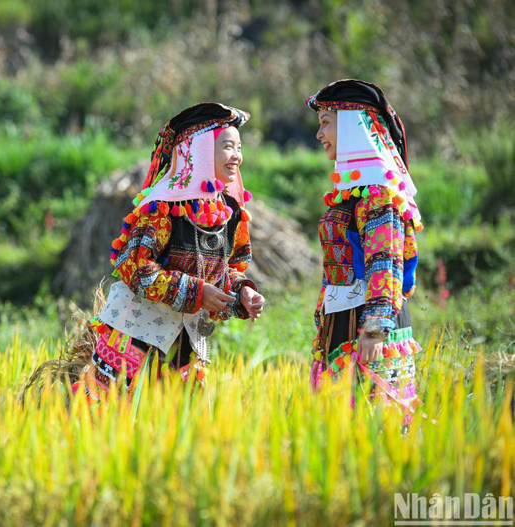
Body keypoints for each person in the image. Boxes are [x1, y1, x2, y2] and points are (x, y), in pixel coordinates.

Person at [71, 102, 266, 401]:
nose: (237, 156)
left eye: (239, 147)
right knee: (109, 424)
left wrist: (242, 293)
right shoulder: (163, 208)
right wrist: (198, 293)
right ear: (198, 151)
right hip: (134, 339)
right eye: (228, 147)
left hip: (185, 346)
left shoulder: (230, 212)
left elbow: (224, 273)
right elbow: (135, 267)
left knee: (176, 432)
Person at [305, 79, 423, 418]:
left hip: (370, 326)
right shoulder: (355, 194)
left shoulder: (378, 195)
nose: (319, 134)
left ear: (353, 126)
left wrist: (374, 329)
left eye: (326, 123)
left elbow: (385, 262)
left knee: (373, 423)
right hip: (343, 321)